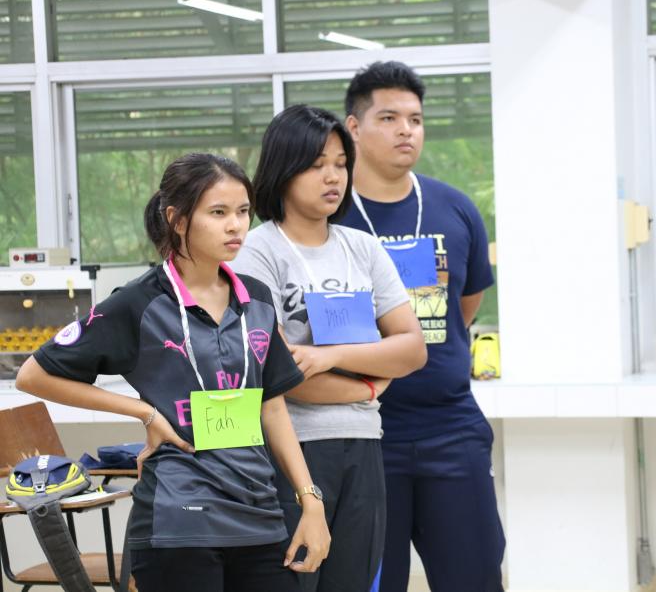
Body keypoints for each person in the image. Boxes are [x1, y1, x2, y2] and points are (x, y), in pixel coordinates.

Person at [15, 153, 330, 592]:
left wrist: (310, 501)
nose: (236, 226)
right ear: (177, 220)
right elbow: (33, 375)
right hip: (177, 520)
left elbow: (272, 407)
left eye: (243, 212)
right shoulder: (139, 302)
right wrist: (144, 413)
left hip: (259, 514)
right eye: (218, 213)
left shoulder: (256, 298)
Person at [231, 105, 426, 592]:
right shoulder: (256, 251)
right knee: (294, 579)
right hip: (293, 450)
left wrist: (330, 357)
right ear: (284, 169)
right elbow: (280, 375)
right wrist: (368, 385)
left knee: (352, 581)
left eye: (341, 164)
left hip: (364, 442)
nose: (333, 176)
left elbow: (412, 349)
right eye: (317, 165)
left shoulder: (362, 247)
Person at [338, 60, 505, 592]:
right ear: (354, 127)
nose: (406, 130)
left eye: (415, 119)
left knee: (474, 577)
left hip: (451, 426)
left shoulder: (455, 207)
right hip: (361, 430)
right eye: (388, 118)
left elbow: (465, 306)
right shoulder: (330, 215)